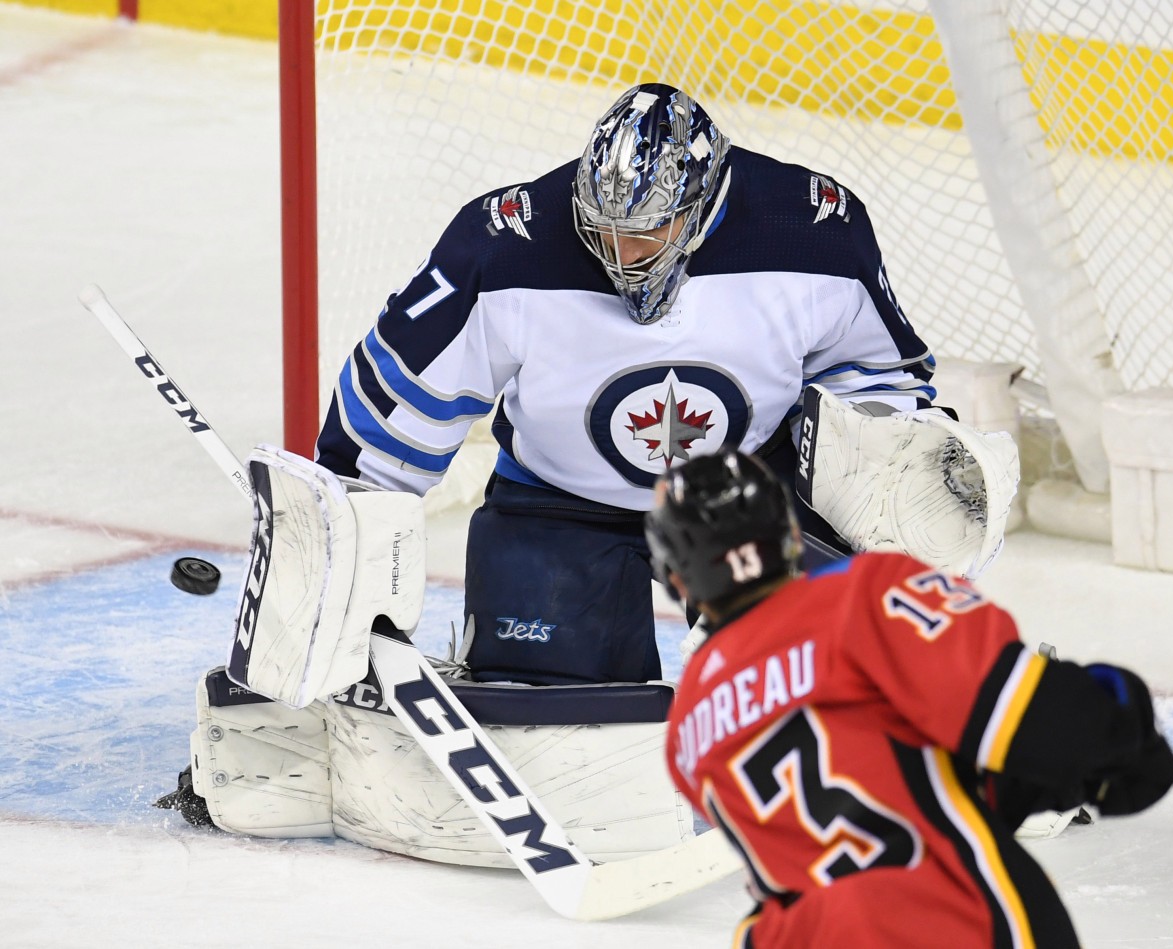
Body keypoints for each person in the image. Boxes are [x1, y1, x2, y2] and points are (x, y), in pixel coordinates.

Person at [313, 81, 941, 687]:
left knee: (805, 703)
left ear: (700, 209)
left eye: (646, 232)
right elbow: (395, 411)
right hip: (556, 504)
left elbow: (875, 379)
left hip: (748, 503)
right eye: (603, 229)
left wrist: (884, 501)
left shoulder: (815, 232)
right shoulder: (504, 247)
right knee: (551, 728)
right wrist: (342, 545)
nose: (621, 251)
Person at [646, 449, 1173, 948]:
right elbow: (1040, 722)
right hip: (952, 917)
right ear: (788, 532)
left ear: (676, 578)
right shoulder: (862, 593)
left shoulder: (688, 726)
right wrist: (1119, 733)